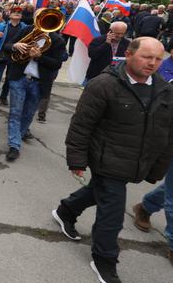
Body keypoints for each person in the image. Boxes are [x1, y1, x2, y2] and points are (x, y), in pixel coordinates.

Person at [51, 37, 173, 283]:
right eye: (146, 57)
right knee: (113, 212)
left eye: (158, 59)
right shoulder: (103, 84)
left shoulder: (164, 89)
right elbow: (82, 125)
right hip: (106, 159)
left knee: (99, 192)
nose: (152, 63)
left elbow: (167, 132)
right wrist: (76, 160)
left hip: (135, 162)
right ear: (128, 54)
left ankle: (66, 211)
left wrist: (157, 167)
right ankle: (104, 260)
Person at [4, 21, 65, 161]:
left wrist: (40, 57)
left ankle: (18, 136)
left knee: (29, 114)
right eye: (40, 18)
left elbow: (57, 64)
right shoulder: (27, 30)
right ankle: (14, 145)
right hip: (19, 78)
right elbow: (7, 46)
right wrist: (15, 45)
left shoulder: (57, 40)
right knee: (15, 112)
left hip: (39, 82)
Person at [0, 6, 27, 108]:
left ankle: (3, 96)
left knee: (9, 80)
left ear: (21, 15)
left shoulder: (24, 27)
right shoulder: (2, 26)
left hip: (15, 57)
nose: (17, 13)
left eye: (19, 12)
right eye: (14, 11)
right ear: (9, 14)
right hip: (0, 56)